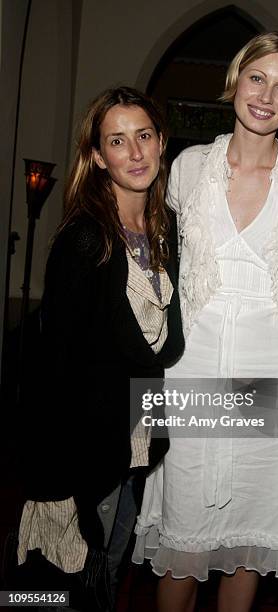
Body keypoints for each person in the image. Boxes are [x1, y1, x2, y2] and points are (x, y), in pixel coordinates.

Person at [132, 31, 278, 612]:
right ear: (234, 81)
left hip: (271, 372)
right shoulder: (187, 169)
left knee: (249, 541)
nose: (267, 95)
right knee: (182, 544)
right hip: (190, 371)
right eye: (257, 78)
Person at [16, 86, 184, 611]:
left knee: (107, 574)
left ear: (160, 143)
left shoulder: (164, 230)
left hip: (135, 442)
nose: (134, 154)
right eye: (117, 141)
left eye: (144, 137)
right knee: (68, 589)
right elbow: (52, 368)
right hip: (87, 452)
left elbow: (158, 346)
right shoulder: (86, 238)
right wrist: (55, 485)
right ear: (97, 155)